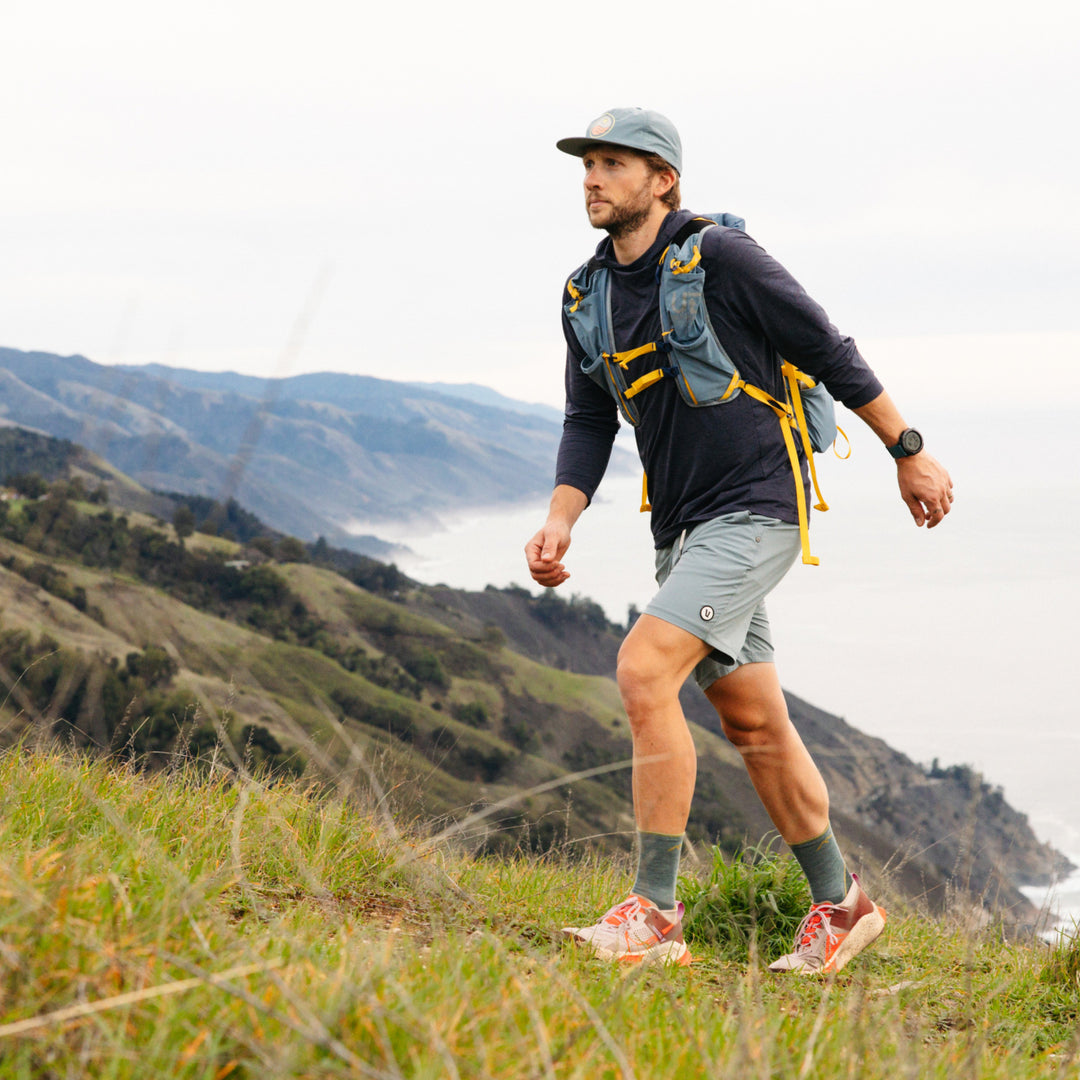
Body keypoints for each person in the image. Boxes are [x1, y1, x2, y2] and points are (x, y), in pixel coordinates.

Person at [524, 107, 954, 974]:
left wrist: (907, 450)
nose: (593, 179)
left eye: (614, 164)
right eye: (587, 165)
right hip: (681, 529)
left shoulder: (721, 257)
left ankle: (653, 914)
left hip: (757, 510)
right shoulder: (585, 292)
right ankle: (843, 905)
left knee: (644, 669)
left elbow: (826, 346)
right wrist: (560, 518)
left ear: (664, 180)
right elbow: (587, 419)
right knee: (753, 724)